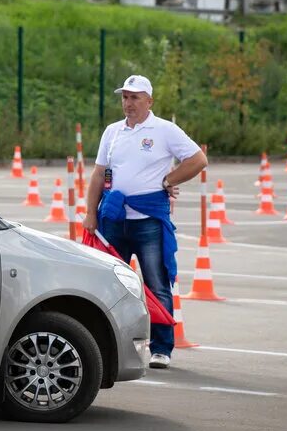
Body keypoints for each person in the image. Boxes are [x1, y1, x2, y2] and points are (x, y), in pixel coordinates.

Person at [82, 75, 207, 370]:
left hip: (148, 220)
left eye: (135, 97)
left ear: (149, 101)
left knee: (156, 282)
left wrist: (169, 179)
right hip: (112, 220)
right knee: (109, 284)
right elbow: (99, 174)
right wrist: (90, 213)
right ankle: (109, 342)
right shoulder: (112, 132)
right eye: (125, 97)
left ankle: (161, 347)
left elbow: (198, 159)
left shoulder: (164, 130)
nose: (128, 103)